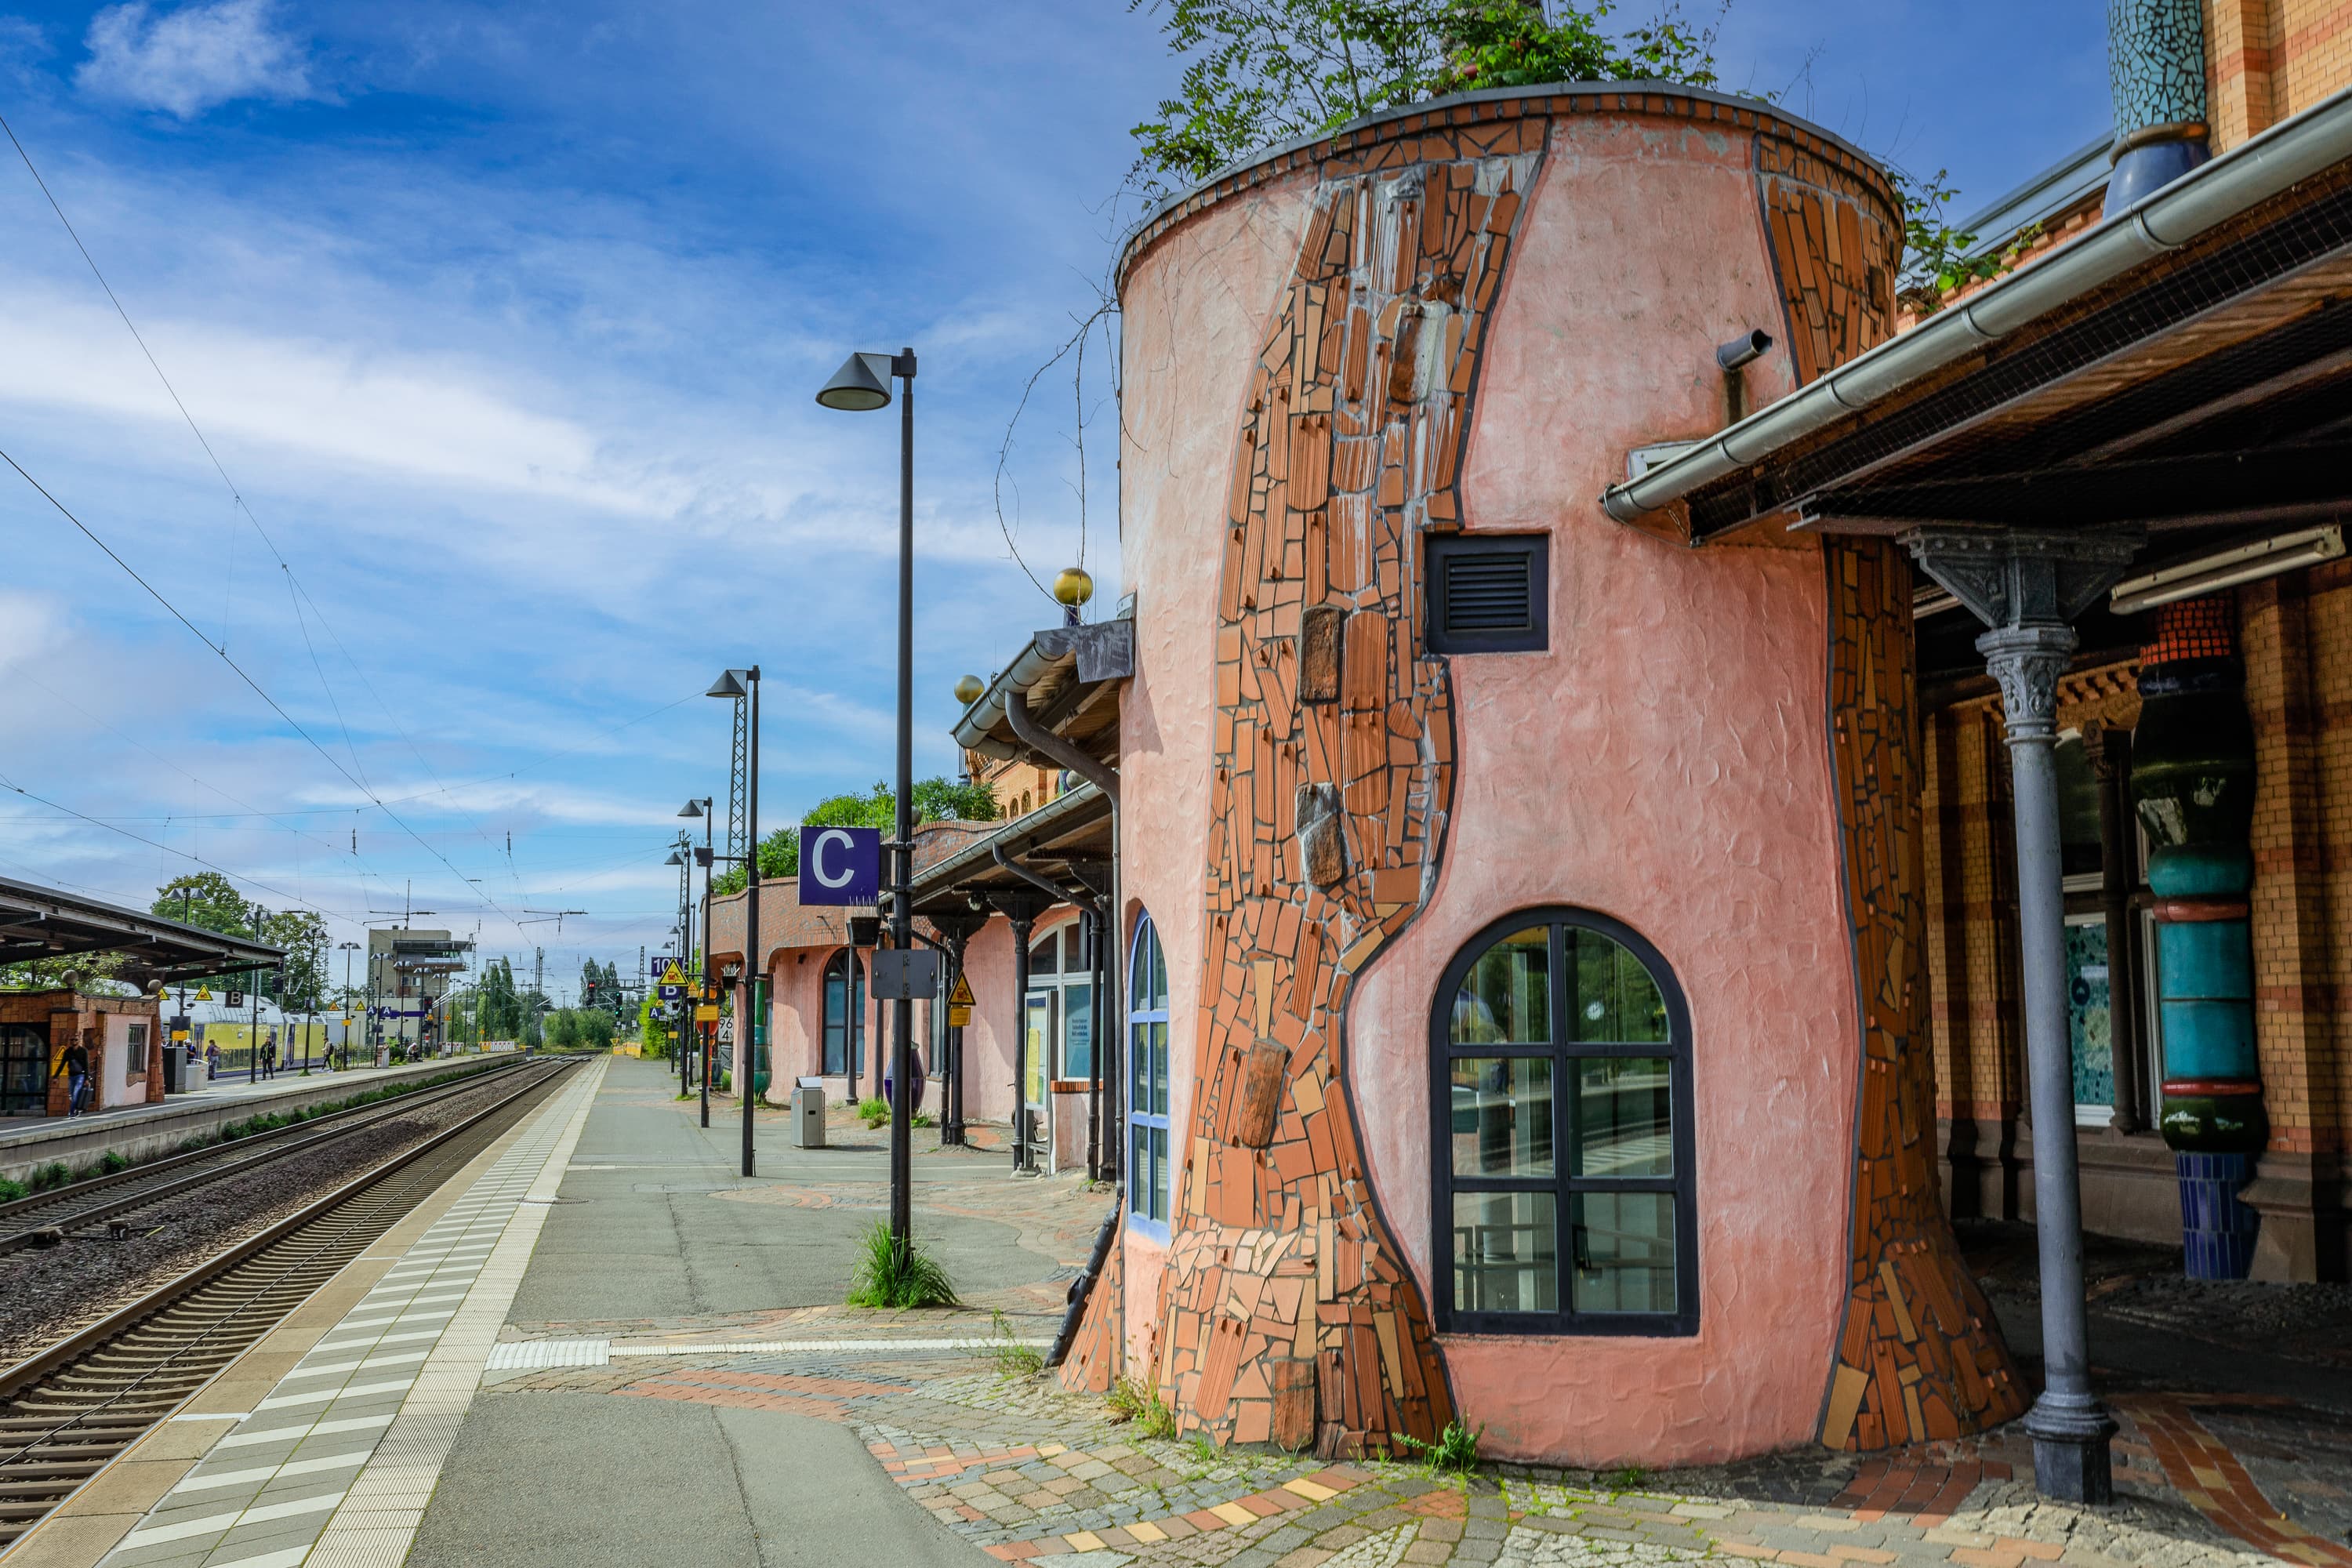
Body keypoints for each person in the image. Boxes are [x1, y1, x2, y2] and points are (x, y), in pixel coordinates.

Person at [63, 1036, 90, 1117]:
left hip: (80, 1075)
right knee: (71, 1095)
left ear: (79, 1041)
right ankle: (77, 1109)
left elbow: (86, 1065)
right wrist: (56, 1076)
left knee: (75, 1093)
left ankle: (72, 1112)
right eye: (72, 1040)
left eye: (76, 1040)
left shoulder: (83, 1051)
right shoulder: (68, 1052)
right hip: (71, 1076)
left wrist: (86, 1078)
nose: (74, 1041)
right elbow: (62, 1064)